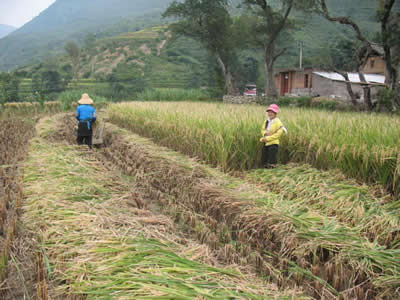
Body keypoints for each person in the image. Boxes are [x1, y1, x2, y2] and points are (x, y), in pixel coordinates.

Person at [260, 104, 286, 168]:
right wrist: (265, 134)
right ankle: (264, 170)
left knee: (272, 159)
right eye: (269, 112)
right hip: (265, 142)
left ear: (275, 113)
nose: (270, 113)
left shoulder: (278, 122)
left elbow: (278, 134)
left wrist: (268, 138)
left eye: (271, 112)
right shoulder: (266, 121)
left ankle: (272, 171)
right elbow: (262, 129)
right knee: (264, 157)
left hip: (273, 143)